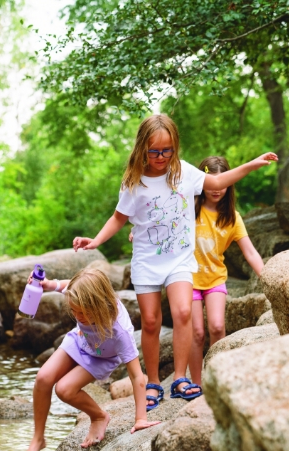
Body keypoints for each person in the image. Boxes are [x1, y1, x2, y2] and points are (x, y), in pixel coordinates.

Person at [72, 114, 277, 409]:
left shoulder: (183, 172)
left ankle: (180, 378)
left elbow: (217, 180)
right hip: (147, 261)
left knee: (183, 313)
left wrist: (251, 165)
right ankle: (153, 381)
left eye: (167, 150)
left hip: (180, 259)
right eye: (154, 151)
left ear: (174, 148)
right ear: (142, 148)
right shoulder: (134, 182)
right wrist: (95, 241)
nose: (160, 157)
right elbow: (119, 217)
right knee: (152, 322)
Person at [19, 267, 160, 451]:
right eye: (74, 311)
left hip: (103, 356)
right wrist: (49, 284)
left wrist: (140, 419)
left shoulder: (119, 332)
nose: (77, 316)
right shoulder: (81, 295)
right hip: (80, 340)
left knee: (64, 389)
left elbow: (137, 376)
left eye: (82, 313)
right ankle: (38, 439)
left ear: (99, 306)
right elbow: (68, 285)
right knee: (43, 378)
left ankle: (99, 416)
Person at [189, 156, 263, 387]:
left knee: (217, 327)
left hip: (215, 279)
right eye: (213, 183)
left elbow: (250, 253)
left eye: (223, 184)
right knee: (197, 333)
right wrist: (140, 233)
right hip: (188, 279)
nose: (217, 189)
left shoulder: (232, 217)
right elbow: (163, 222)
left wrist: (267, 276)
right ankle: (197, 384)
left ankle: (216, 381)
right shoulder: (190, 209)